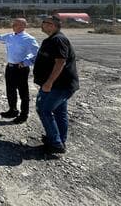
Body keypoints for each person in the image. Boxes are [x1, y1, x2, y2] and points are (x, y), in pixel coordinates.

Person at [0, 18, 39, 124]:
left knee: (23, 92)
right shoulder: (10, 36)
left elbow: (37, 54)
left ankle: (23, 115)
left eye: (16, 24)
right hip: (10, 67)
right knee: (10, 90)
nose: (13, 26)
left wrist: (26, 62)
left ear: (23, 26)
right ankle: (12, 110)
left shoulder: (29, 39)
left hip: (21, 69)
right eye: (13, 24)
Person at [33, 15, 79, 154]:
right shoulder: (52, 39)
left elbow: (60, 62)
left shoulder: (58, 39)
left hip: (59, 85)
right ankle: (59, 140)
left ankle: (56, 143)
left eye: (45, 23)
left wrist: (49, 82)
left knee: (44, 110)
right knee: (60, 112)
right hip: (58, 85)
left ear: (53, 25)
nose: (42, 25)